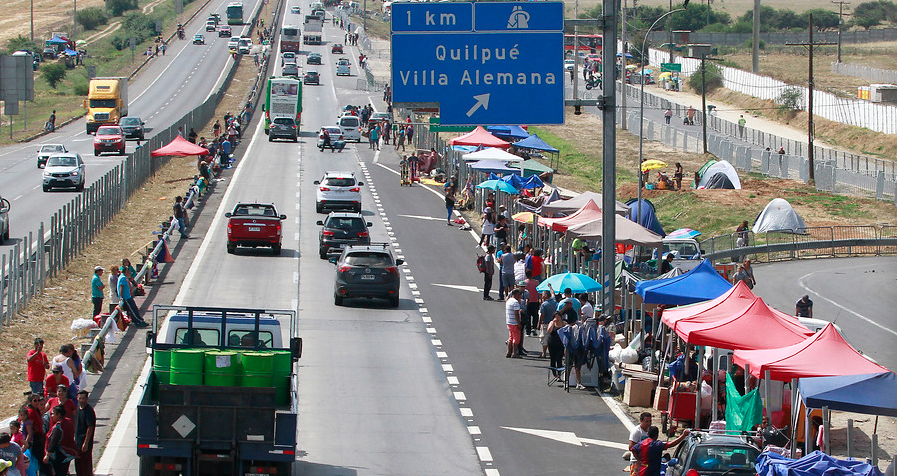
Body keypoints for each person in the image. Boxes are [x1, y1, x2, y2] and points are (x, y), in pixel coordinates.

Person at [43, 405, 76, 476]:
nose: (51, 416)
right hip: (68, 452)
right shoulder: (69, 421)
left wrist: (47, 455)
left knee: (59, 473)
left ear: (58, 415)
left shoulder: (58, 427)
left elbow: (53, 442)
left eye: (53, 414)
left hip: (60, 455)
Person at [74, 391, 95, 476]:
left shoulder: (89, 411)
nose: (81, 400)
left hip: (84, 443)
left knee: (85, 465)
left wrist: (86, 443)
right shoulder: (78, 409)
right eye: (80, 398)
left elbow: (90, 427)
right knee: (78, 464)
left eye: (83, 398)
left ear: (87, 399)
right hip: (78, 442)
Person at [537, 290, 557, 358]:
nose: (541, 296)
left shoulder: (544, 304)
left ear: (545, 296)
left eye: (542, 295)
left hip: (546, 323)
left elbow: (542, 315)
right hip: (553, 323)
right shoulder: (554, 301)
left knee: (544, 338)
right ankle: (553, 353)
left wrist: (539, 324)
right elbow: (553, 293)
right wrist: (550, 287)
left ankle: (544, 353)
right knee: (552, 338)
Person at [505, 289, 523, 358]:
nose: (520, 295)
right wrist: (519, 323)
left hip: (509, 322)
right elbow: (516, 314)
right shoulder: (515, 302)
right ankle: (514, 353)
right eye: (519, 294)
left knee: (511, 337)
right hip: (514, 323)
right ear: (515, 294)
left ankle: (509, 352)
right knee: (516, 338)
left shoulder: (509, 300)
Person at [523, 271, 540, 337]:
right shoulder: (536, 282)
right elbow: (539, 292)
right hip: (535, 301)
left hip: (528, 302)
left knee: (528, 316)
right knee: (535, 316)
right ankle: (534, 328)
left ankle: (528, 331)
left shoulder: (525, 283)